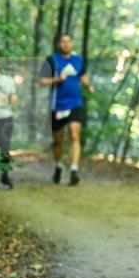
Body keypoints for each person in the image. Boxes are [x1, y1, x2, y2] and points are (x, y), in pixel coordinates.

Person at [39, 34, 94, 186]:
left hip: (75, 102)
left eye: (68, 41)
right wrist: (57, 79)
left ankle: (74, 170)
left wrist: (88, 85)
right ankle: (58, 165)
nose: (66, 44)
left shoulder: (78, 60)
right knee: (58, 140)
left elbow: (82, 76)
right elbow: (41, 81)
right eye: (62, 41)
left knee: (74, 134)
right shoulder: (52, 60)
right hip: (57, 105)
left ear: (72, 43)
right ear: (58, 44)